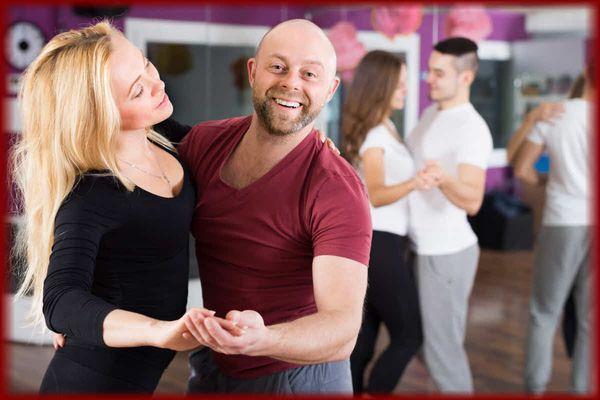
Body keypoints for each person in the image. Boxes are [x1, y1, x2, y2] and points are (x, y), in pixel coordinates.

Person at [10, 21, 244, 393]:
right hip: (90, 382)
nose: (159, 83)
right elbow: (60, 302)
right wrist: (161, 331)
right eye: (138, 90)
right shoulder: (93, 194)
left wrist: (309, 148)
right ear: (101, 116)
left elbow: (230, 141)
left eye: (146, 65)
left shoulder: (163, 136)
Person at [148, 19, 372, 394]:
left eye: (310, 74)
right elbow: (132, 204)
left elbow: (342, 329)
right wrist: (81, 309)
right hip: (214, 362)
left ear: (330, 89)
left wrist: (261, 339)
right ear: (253, 72)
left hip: (300, 376)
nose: (292, 83)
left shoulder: (337, 189)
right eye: (278, 67)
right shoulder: (205, 143)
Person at [405, 37, 493, 393]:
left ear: (466, 78)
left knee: (443, 353)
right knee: (417, 341)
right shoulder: (431, 114)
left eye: (440, 73)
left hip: (447, 252)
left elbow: (473, 200)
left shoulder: (472, 129)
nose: (430, 79)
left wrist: (444, 178)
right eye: (430, 70)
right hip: (418, 245)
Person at [340, 50, 424, 393]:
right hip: (381, 243)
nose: (405, 89)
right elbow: (375, 194)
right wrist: (416, 181)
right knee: (409, 335)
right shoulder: (376, 136)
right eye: (399, 84)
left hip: (378, 243)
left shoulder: (384, 128)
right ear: (381, 86)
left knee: (364, 338)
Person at [510, 62, 593, 393]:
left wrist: (551, 180)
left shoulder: (557, 113)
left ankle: (535, 388)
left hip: (563, 221)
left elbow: (522, 169)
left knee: (544, 312)